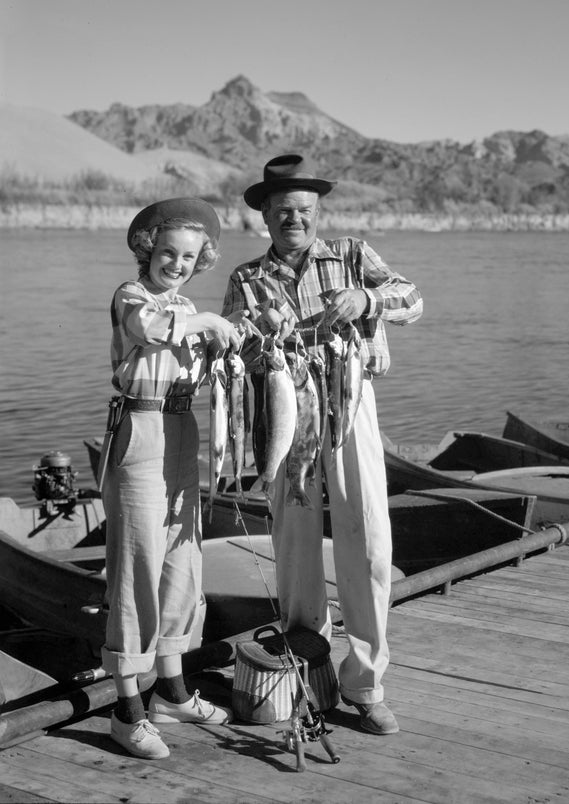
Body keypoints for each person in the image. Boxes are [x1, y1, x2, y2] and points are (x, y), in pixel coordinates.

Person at [222, 154, 423, 736]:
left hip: (350, 407)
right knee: (294, 543)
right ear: (264, 216)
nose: (294, 219)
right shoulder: (245, 279)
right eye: (282, 210)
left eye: (303, 210)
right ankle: (308, 672)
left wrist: (369, 302)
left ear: (319, 211)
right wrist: (259, 340)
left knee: (367, 538)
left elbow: (413, 300)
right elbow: (240, 357)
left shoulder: (353, 256)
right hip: (289, 415)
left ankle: (365, 684)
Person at [101, 197, 250, 759]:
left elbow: (201, 353)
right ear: (148, 249)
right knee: (137, 563)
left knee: (181, 562)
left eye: (189, 256)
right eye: (168, 252)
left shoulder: (187, 306)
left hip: (184, 429)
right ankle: (126, 710)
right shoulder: (132, 296)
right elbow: (150, 330)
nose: (177, 264)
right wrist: (207, 321)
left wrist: (232, 342)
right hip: (139, 429)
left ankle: (172, 690)